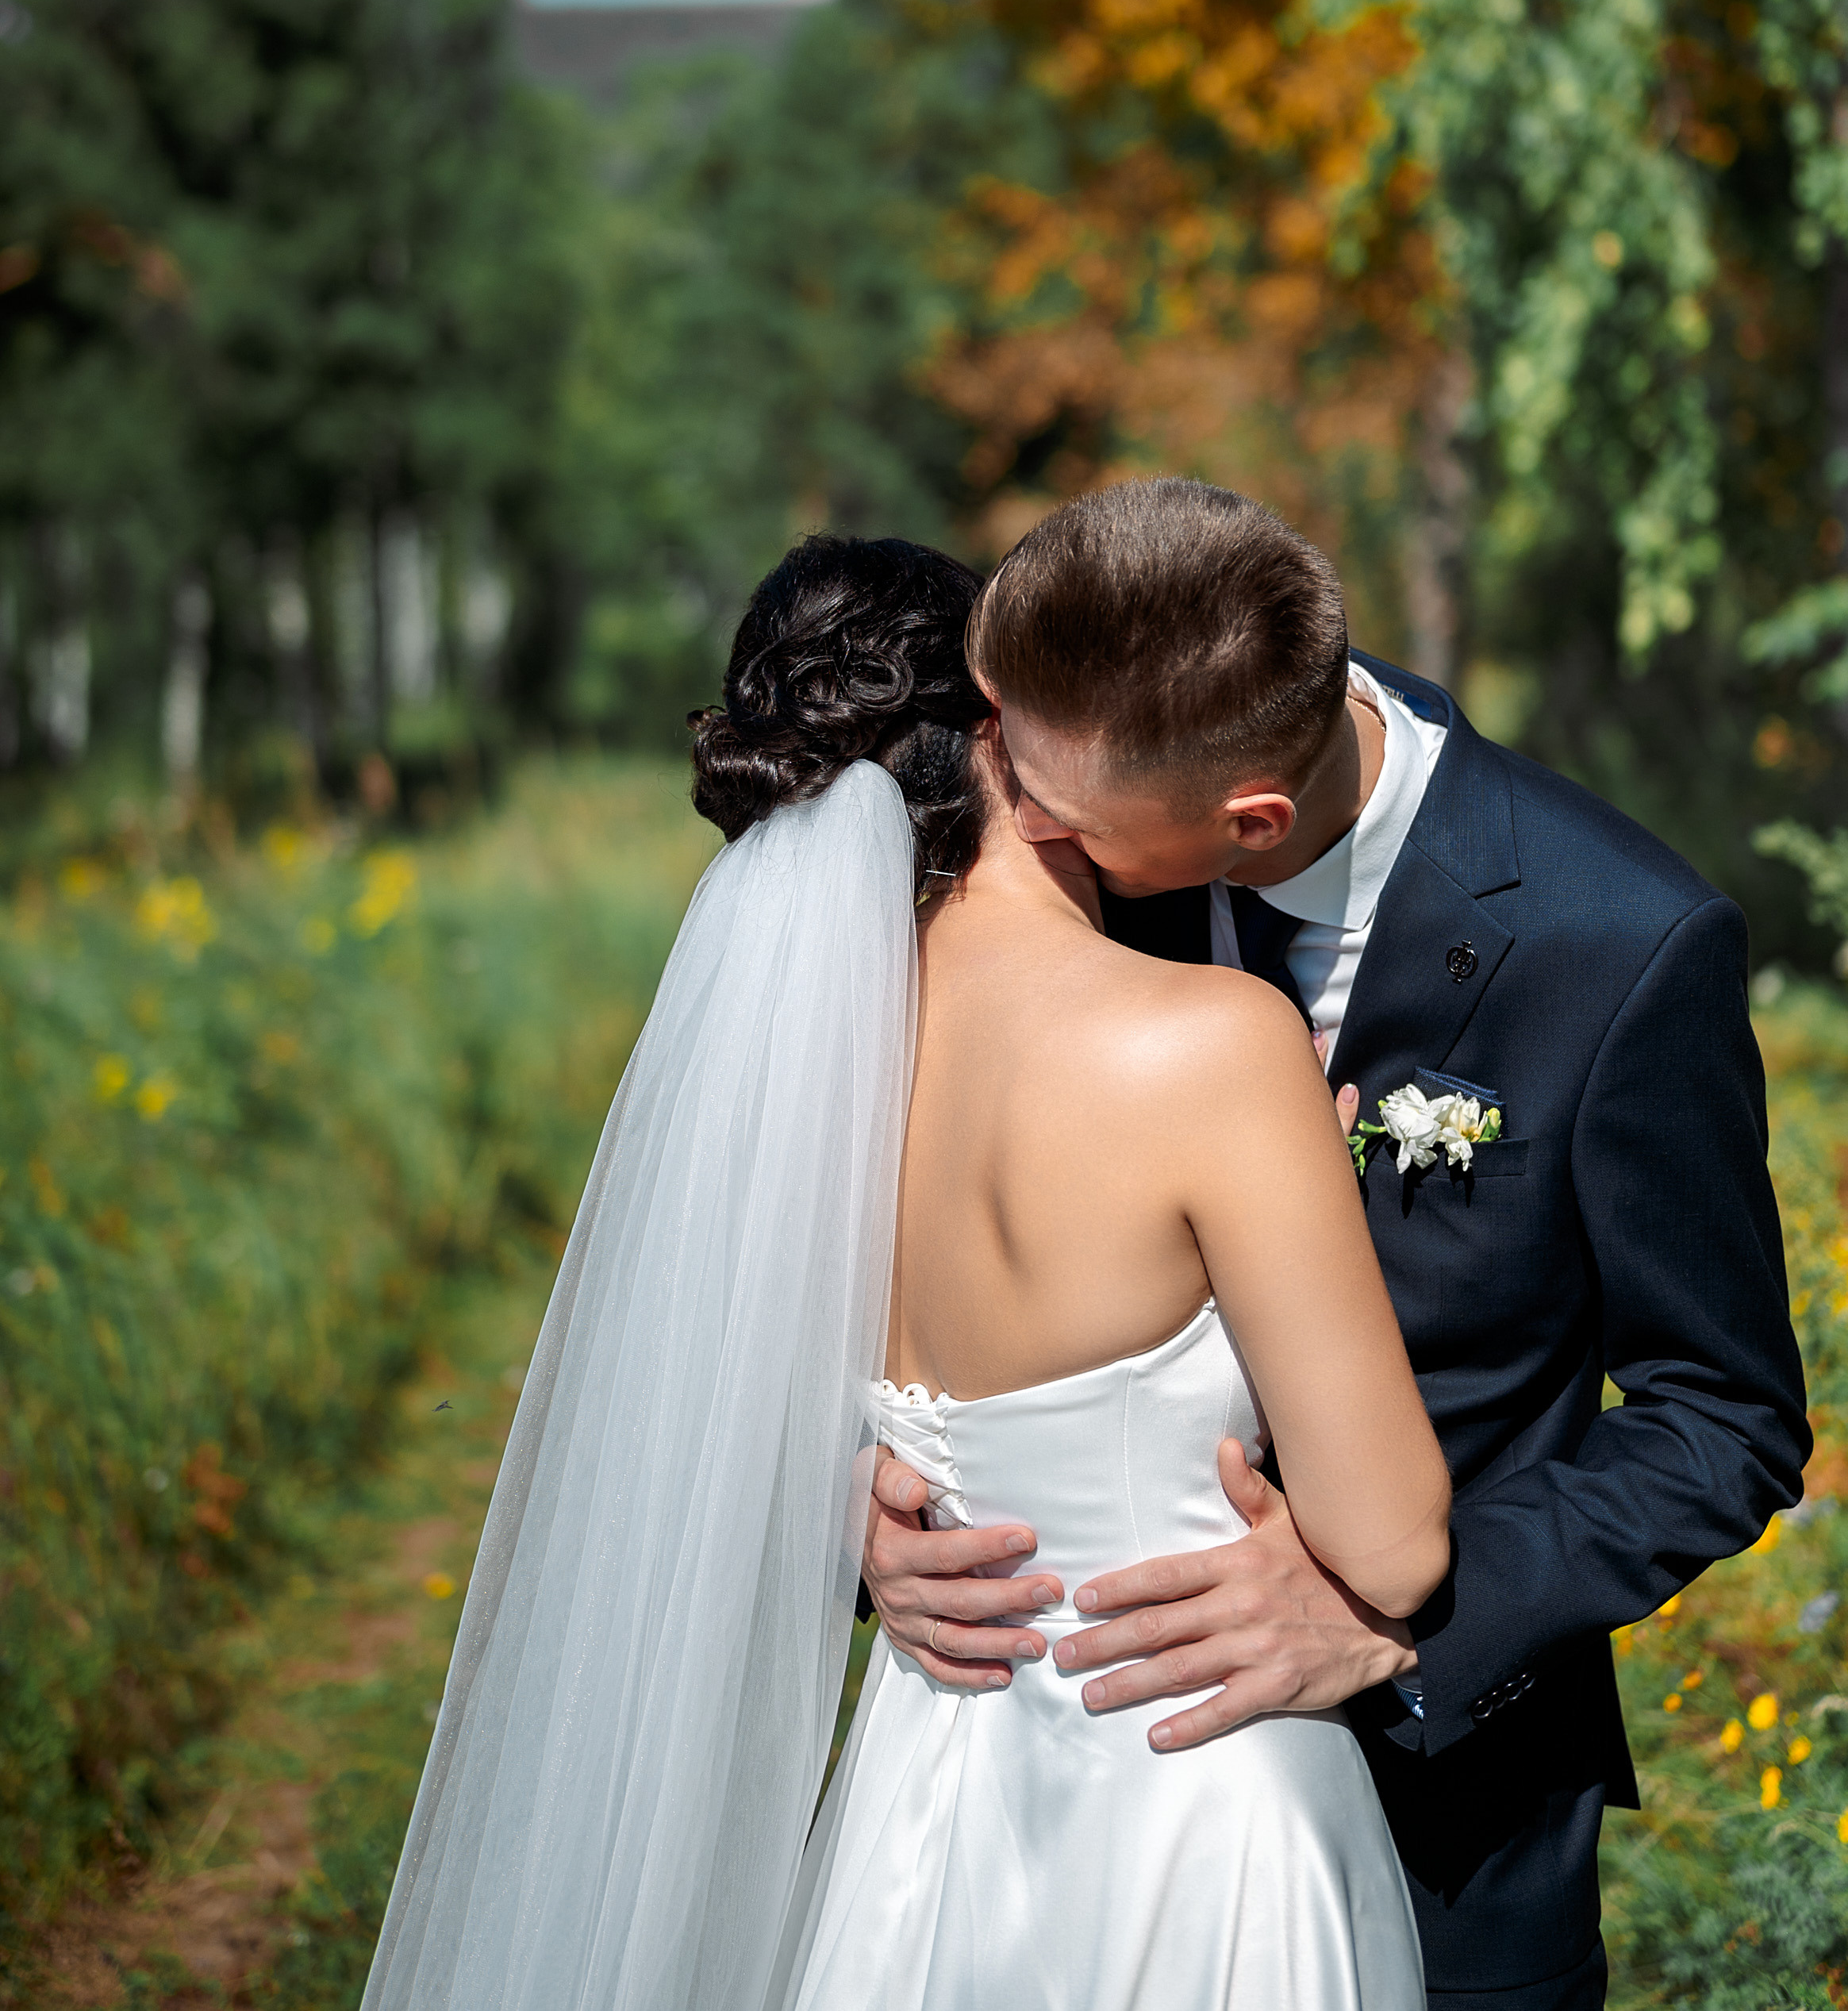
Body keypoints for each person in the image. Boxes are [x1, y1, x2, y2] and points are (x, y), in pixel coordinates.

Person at [361, 532, 1449, 2011]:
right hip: (1193, 1791)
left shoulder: (797, 1078)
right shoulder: (1214, 1044)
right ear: (1013, 730)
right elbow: (1390, 1551)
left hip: (925, 1794)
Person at [862, 479, 1811, 2011]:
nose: (1012, 824)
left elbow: (1726, 1423)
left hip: (1458, 1823)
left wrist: (1399, 1623)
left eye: (1054, 808)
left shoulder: (1621, 945)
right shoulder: (1089, 816)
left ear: (1245, 822)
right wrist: (886, 1502)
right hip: (1066, 1791)